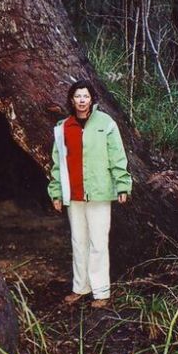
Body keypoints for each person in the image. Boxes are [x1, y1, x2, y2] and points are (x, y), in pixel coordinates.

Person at [48, 79, 132, 309]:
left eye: (86, 96)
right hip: (74, 193)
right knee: (78, 241)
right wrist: (56, 193)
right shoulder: (63, 127)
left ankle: (101, 291)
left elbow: (117, 156)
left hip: (99, 192)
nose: (82, 101)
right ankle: (80, 288)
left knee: (98, 242)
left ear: (92, 99)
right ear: (72, 100)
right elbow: (57, 164)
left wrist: (122, 185)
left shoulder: (106, 123)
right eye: (78, 97)